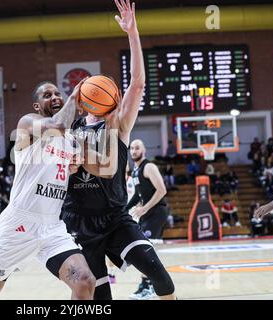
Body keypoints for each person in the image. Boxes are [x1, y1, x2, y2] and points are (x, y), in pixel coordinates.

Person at [61, 0, 175, 300]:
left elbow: (137, 84)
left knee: (158, 272)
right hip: (78, 222)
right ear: (86, 99)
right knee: (100, 297)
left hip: (115, 216)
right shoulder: (69, 132)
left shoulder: (119, 126)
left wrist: (132, 32)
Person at [0, 76, 113, 300]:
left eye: (57, 94)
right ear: (36, 105)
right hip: (18, 224)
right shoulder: (28, 123)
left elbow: (106, 168)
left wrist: (111, 119)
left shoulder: (71, 141)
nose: (54, 97)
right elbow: (58, 126)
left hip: (52, 226)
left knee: (84, 281)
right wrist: (74, 95)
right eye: (47, 95)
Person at [125, 139, 170, 300]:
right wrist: (122, 209)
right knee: (142, 249)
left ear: (143, 150)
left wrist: (145, 208)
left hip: (157, 211)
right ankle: (146, 284)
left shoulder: (149, 166)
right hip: (147, 213)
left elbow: (162, 190)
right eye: (132, 148)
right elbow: (137, 195)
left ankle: (150, 285)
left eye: (137, 148)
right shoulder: (136, 170)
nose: (134, 151)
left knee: (144, 250)